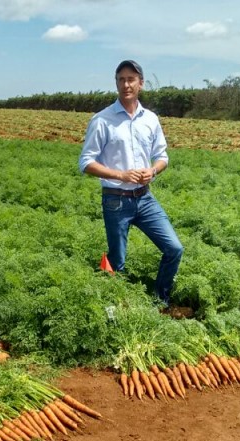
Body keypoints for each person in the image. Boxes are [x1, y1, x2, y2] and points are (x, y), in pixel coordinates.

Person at [78, 60, 184, 307]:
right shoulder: (102, 120)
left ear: (141, 83)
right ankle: (113, 308)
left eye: (131, 79)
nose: (126, 84)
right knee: (117, 262)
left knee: (174, 248)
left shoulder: (151, 119)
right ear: (116, 83)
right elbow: (85, 162)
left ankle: (160, 301)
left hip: (145, 198)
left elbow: (163, 156)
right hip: (115, 199)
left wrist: (153, 170)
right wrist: (120, 175)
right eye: (121, 79)